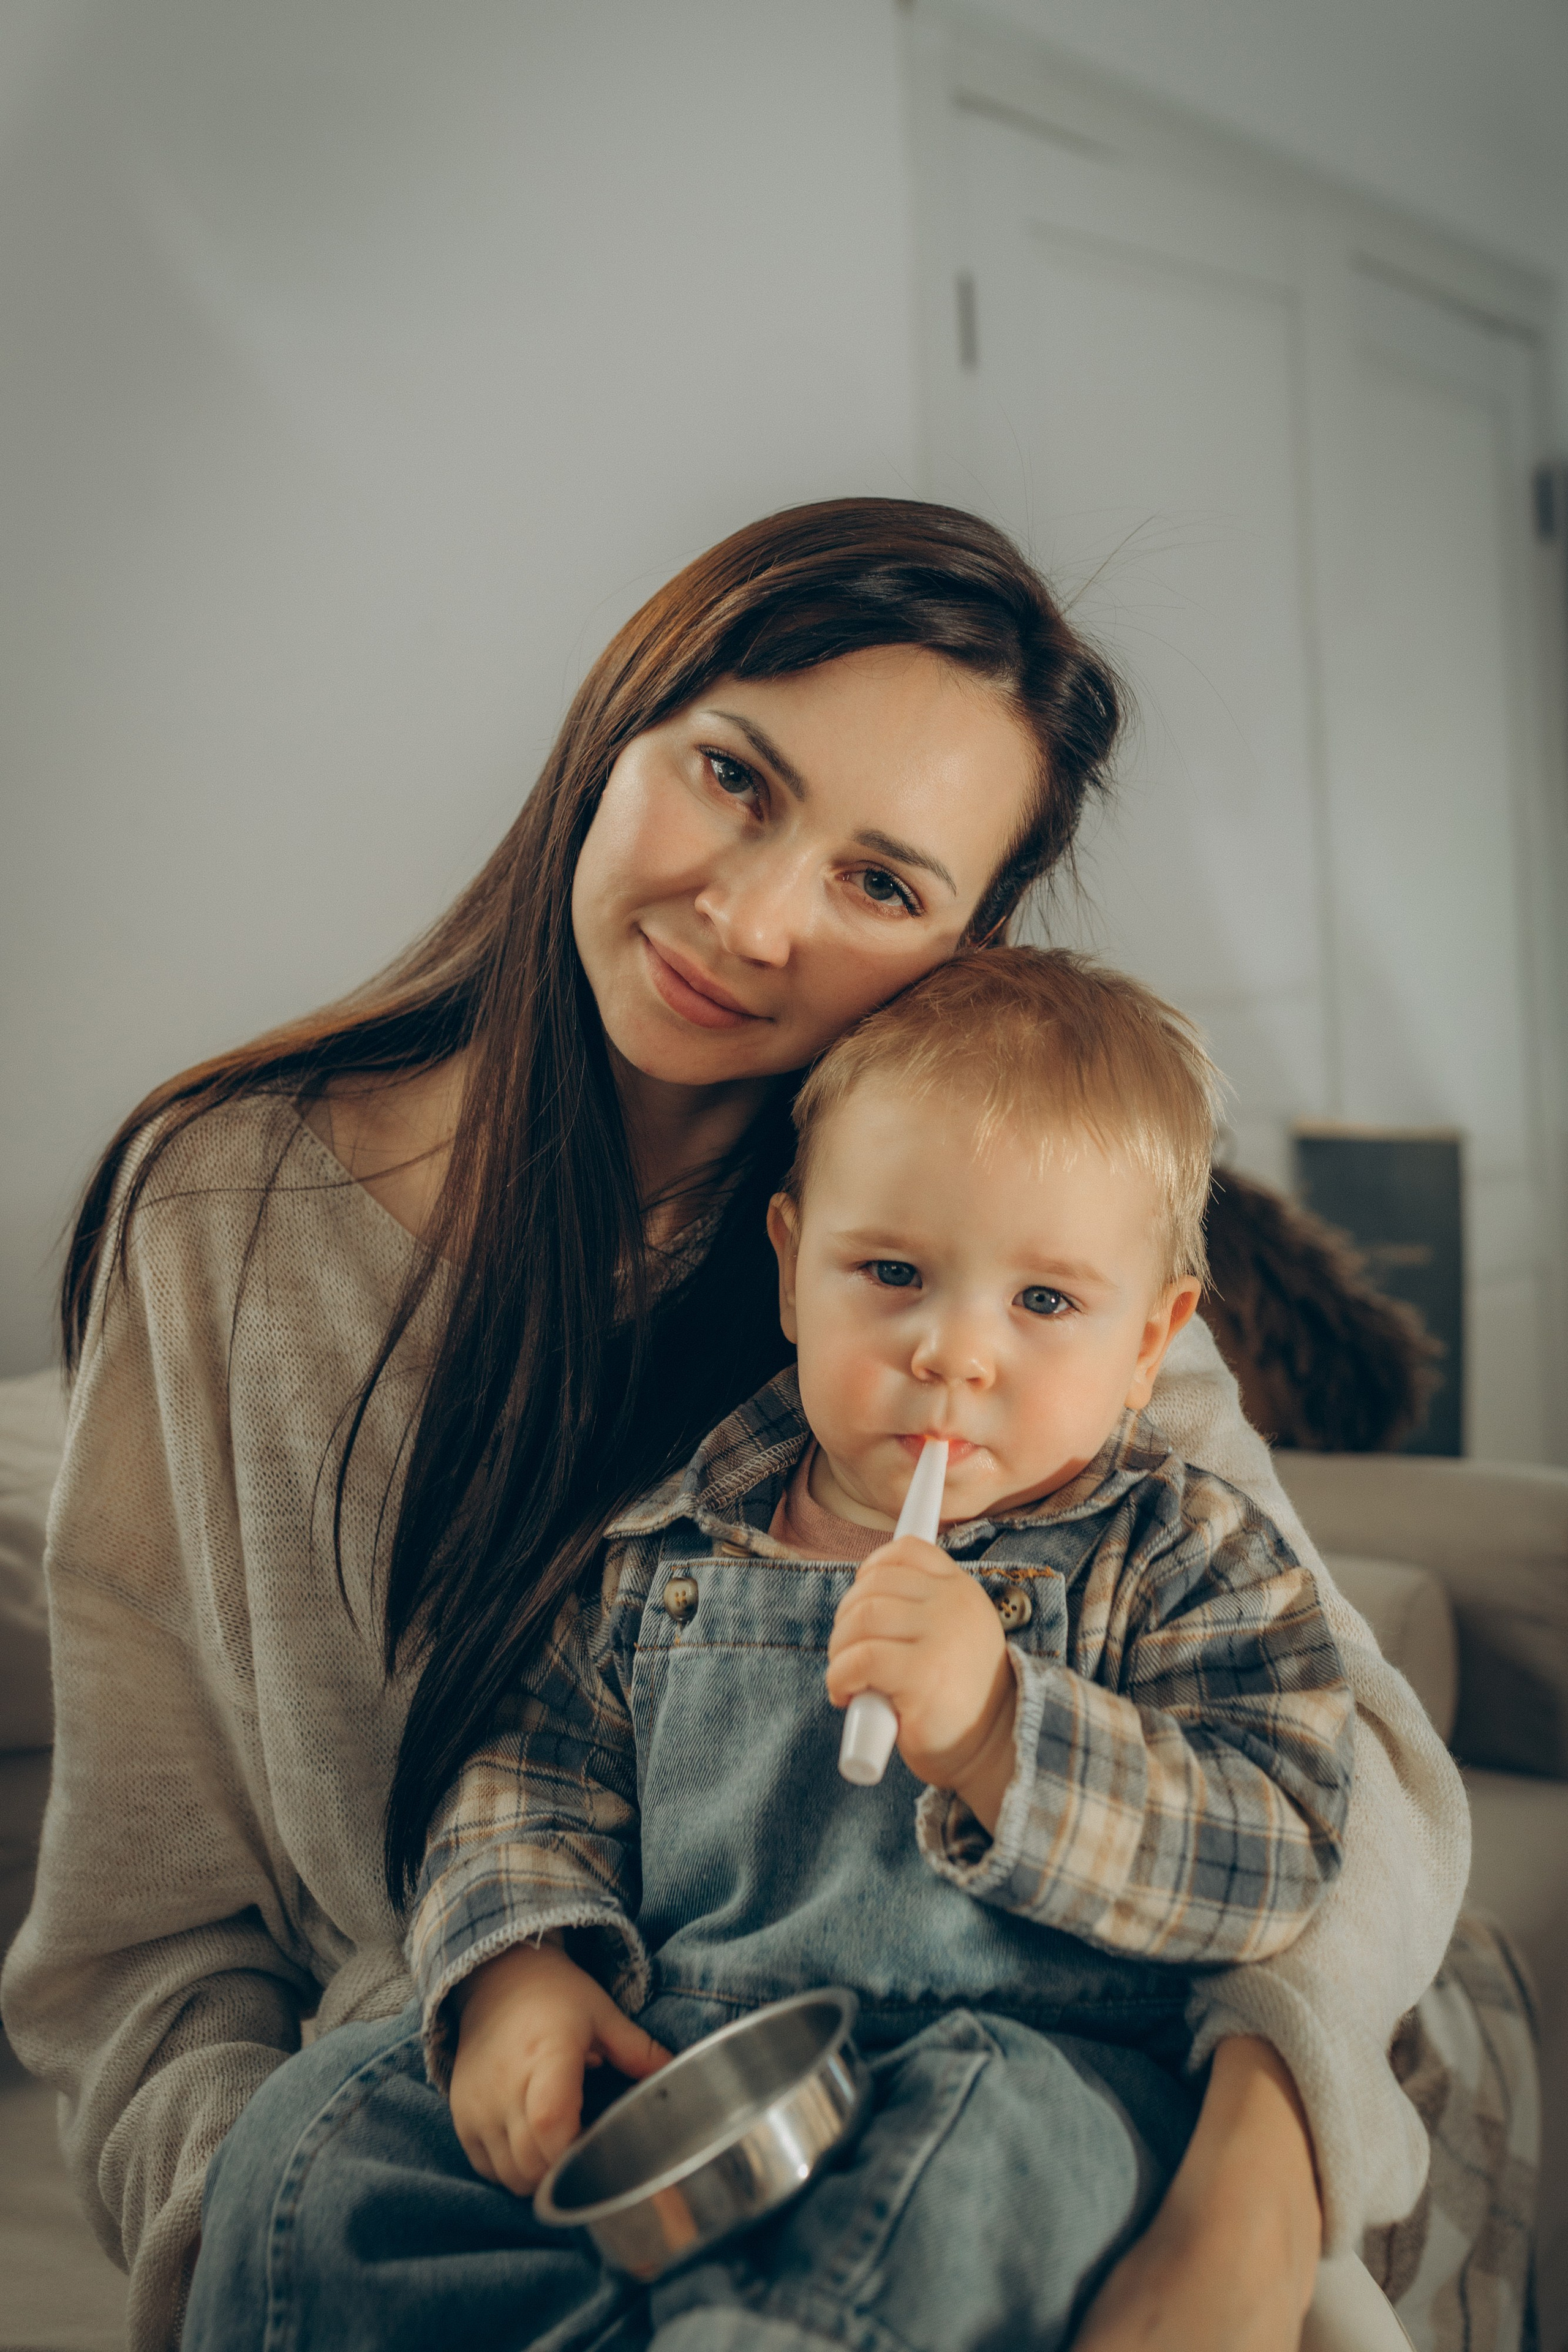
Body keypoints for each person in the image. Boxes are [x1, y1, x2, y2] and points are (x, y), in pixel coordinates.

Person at [0, 500, 1467, 2352]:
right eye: (731, 777)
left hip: (995, 2088)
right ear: (619, 725)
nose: (753, 919)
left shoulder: (1002, 1269)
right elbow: (151, 1935)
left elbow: (1350, 1783)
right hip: (512, 2109)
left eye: (885, 884)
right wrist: (336, 2150)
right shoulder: (218, 1216)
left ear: (963, 946)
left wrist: (1248, 2208)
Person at [266, 945, 1356, 2352]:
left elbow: (1276, 1852)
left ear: (1149, 1344)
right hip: (681, 2052)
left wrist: (997, 1734)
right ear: (791, 1273)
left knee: (971, 2197)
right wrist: (519, 1966)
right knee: (314, 2151)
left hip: (1009, 2065)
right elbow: (524, 1770)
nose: (955, 1354)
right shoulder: (669, 1537)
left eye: (1043, 1303)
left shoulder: (1182, 1552)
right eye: (891, 1272)